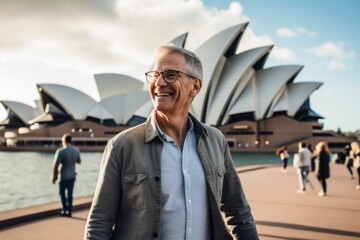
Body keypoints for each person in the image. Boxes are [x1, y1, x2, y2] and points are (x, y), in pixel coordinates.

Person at [84, 44, 259, 239]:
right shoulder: (122, 146)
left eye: (170, 75)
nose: (159, 82)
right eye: (155, 74)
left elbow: (238, 211)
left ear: (195, 86)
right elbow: (99, 225)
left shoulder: (215, 141)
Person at [52, 133, 81, 217]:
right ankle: (69, 211)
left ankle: (64, 209)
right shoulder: (76, 150)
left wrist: (54, 177)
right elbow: (79, 161)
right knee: (70, 194)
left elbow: (56, 165)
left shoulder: (60, 151)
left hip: (63, 176)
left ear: (64, 141)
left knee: (62, 193)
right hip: (72, 175)